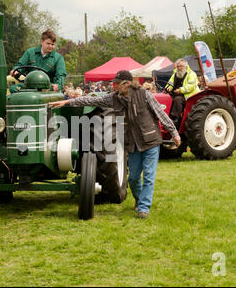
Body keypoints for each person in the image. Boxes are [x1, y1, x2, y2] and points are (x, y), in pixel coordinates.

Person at [50, 70, 181, 220]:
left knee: (149, 177)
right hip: (132, 143)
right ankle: (139, 199)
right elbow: (90, 101)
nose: (114, 86)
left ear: (127, 84)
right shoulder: (114, 98)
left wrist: (174, 133)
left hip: (150, 141)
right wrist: (68, 102)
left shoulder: (144, 95)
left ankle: (143, 208)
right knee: (132, 178)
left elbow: (161, 113)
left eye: (117, 83)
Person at [10, 29, 66, 93]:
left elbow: (61, 75)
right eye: (48, 43)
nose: (50, 46)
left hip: (47, 87)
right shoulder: (30, 53)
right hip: (29, 85)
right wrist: (16, 71)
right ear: (42, 42)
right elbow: (20, 65)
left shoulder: (58, 58)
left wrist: (58, 85)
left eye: (52, 44)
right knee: (13, 89)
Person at [165, 59, 200, 126]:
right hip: (176, 93)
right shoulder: (175, 74)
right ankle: (166, 116)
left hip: (189, 96)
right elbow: (170, 83)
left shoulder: (192, 74)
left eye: (181, 66)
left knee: (178, 99)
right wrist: (168, 88)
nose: (179, 68)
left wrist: (180, 90)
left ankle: (175, 118)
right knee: (168, 98)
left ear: (186, 66)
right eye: (178, 66)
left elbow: (191, 86)